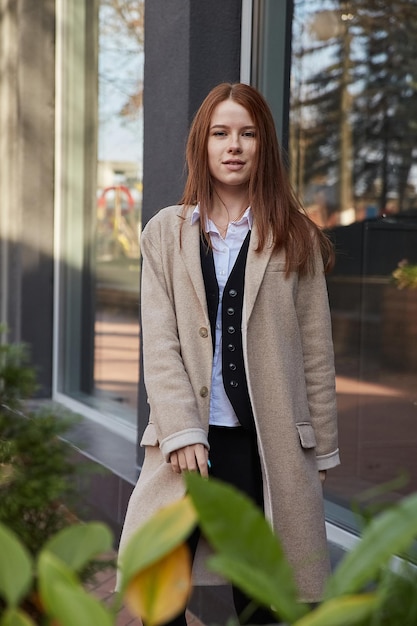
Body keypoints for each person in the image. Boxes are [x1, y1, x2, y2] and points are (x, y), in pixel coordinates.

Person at [118, 82, 340, 625]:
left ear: (264, 146)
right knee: (159, 600)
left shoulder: (297, 238)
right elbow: (161, 342)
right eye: (221, 133)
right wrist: (181, 430)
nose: (234, 145)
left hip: (263, 448)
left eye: (247, 133)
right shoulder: (165, 234)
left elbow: (317, 351)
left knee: (264, 601)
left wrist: (323, 453)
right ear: (203, 144)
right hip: (184, 446)